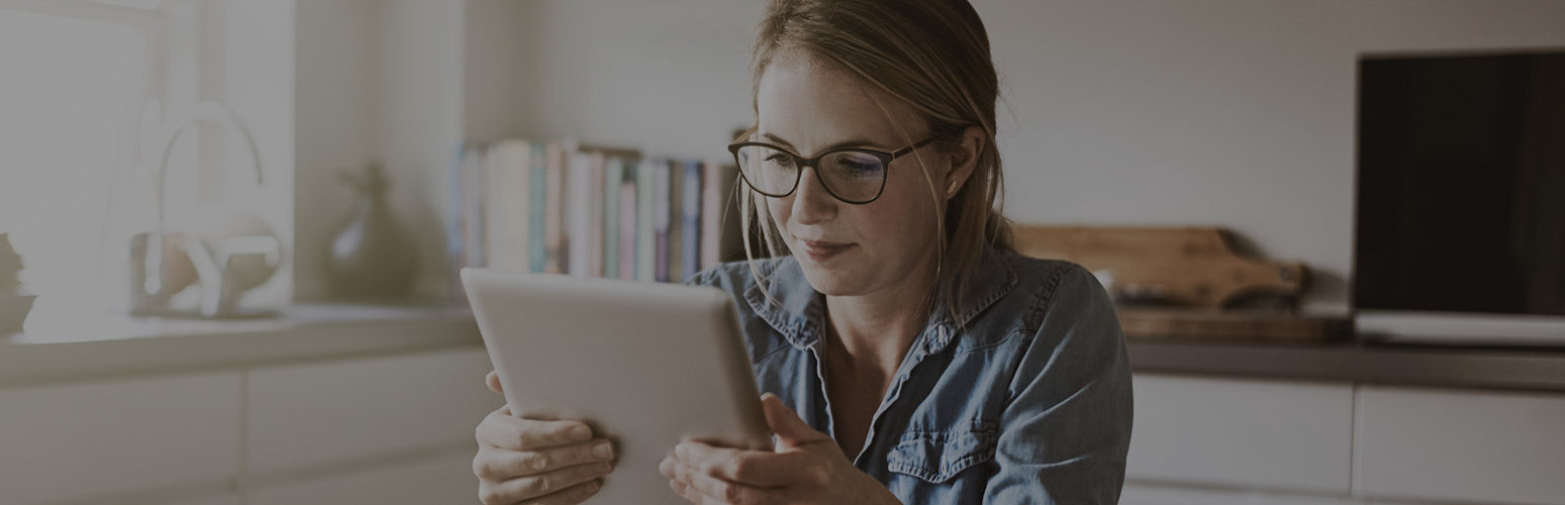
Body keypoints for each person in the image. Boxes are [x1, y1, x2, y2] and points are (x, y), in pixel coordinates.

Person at [471, 0, 1133, 503]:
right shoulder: (712, 310)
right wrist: (544, 476)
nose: (803, 209)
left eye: (852, 163)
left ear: (957, 160)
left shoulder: (1051, 322)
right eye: (778, 157)